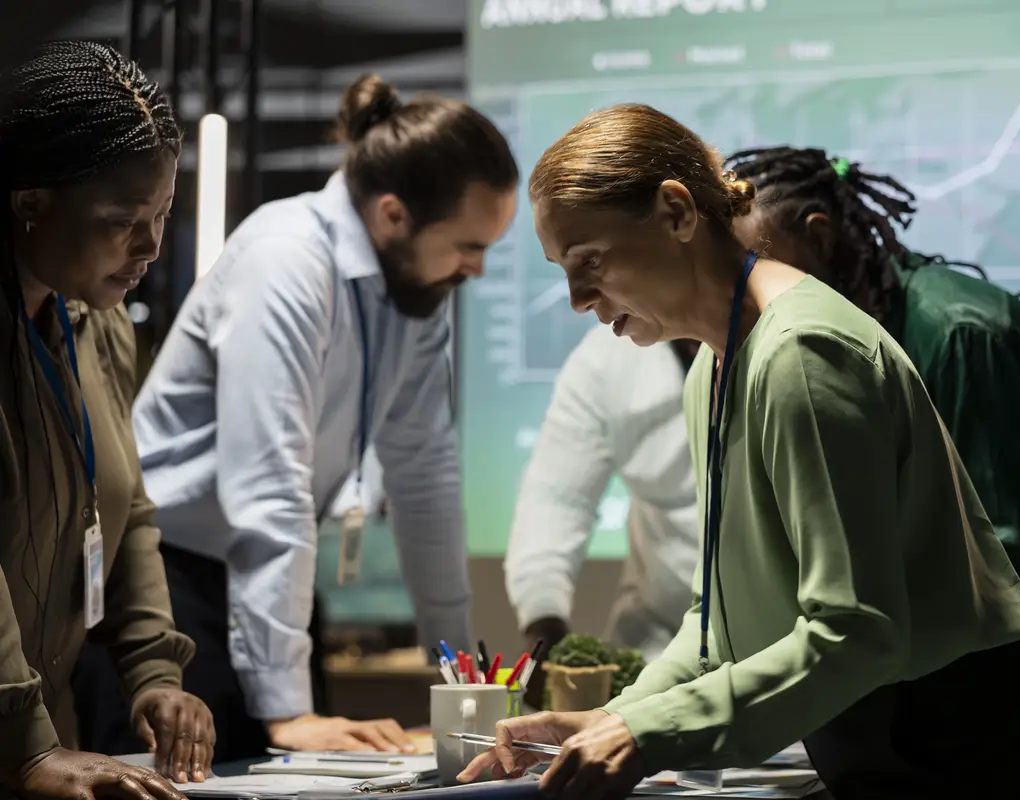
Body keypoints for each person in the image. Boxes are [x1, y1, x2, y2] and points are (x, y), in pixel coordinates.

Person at [458, 103, 1020, 800]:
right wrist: (614, 718)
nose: (579, 298)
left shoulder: (801, 352)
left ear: (676, 213)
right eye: (563, 269)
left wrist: (651, 734)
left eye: (591, 261)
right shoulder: (716, 360)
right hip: (890, 737)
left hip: (971, 747)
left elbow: (857, 633)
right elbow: (718, 623)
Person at [724, 144, 1020, 800]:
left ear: (820, 236)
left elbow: (1008, 557)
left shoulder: (954, 334)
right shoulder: (849, 323)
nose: (740, 289)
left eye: (753, 262)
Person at [72, 74, 519, 762]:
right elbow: (268, 484)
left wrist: (454, 669)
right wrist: (288, 712)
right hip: (166, 580)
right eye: (468, 246)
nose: (479, 270)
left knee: (311, 773)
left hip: (267, 576)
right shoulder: (285, 258)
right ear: (394, 214)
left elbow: (425, 477)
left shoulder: (417, 291)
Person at [0, 40, 215, 795]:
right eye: (125, 220)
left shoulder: (100, 322)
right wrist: (23, 744)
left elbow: (128, 509)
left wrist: (154, 671)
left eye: (161, 215)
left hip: (46, 749)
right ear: (30, 203)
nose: (152, 246)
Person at [505, 328, 700, 704]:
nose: (582, 302)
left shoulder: (783, 336)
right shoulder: (609, 357)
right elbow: (556, 500)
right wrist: (544, 621)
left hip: (787, 651)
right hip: (657, 654)